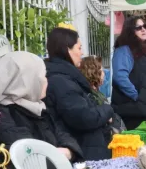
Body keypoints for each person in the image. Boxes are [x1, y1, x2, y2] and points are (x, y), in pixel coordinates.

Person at [44, 27, 114, 161]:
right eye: (79, 48)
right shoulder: (61, 81)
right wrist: (107, 109)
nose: (82, 53)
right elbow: (83, 117)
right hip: (83, 152)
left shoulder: (67, 76)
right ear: (67, 50)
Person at [111, 16, 146, 130]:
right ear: (130, 31)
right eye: (138, 28)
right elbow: (120, 77)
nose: (143, 29)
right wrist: (136, 96)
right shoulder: (125, 51)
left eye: (145, 26)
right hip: (133, 114)